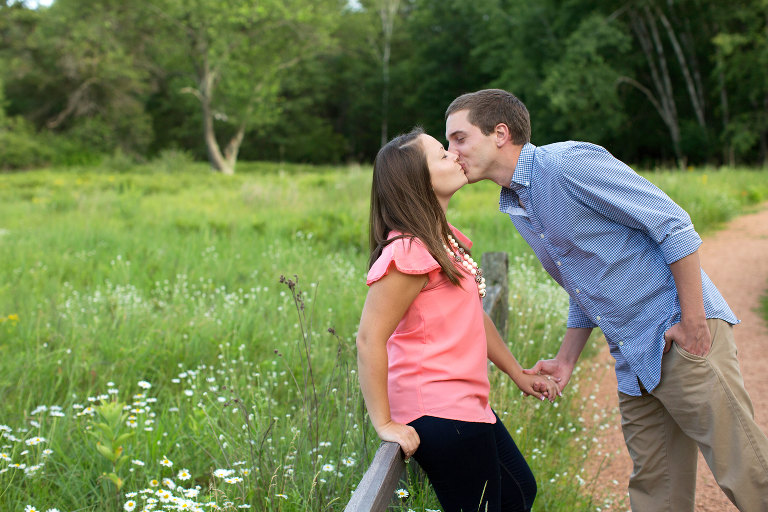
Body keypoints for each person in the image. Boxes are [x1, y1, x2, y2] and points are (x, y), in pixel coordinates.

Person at [444, 88, 768, 512]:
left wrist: (693, 323)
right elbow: (585, 286)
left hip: (678, 335)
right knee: (656, 490)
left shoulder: (566, 165)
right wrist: (565, 360)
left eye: (459, 138)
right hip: (632, 359)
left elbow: (673, 226)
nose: (452, 153)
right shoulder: (517, 203)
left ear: (499, 133)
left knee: (745, 472)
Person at [356, 127, 560, 512]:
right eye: (441, 154)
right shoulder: (409, 250)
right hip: (436, 407)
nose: (454, 155)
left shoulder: (441, 239)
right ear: (416, 181)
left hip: (465, 402)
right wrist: (383, 423)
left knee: (519, 491)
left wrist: (518, 373)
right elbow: (369, 339)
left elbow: (473, 317)